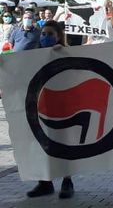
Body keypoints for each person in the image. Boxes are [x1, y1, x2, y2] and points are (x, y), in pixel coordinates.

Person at [24, 19, 75, 199]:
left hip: (62, 105)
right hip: (40, 106)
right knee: (41, 144)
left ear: (59, 36)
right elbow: (20, 69)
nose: (46, 37)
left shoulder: (66, 53)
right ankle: (45, 182)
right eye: (43, 34)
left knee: (63, 143)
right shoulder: (34, 54)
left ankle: (67, 182)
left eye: (50, 34)